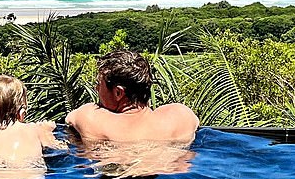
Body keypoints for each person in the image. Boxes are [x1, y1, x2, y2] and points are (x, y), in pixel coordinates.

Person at [66, 50, 199, 144]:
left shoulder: (92, 117)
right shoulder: (181, 115)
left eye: (99, 84)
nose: (96, 89)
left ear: (118, 93)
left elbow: (69, 119)